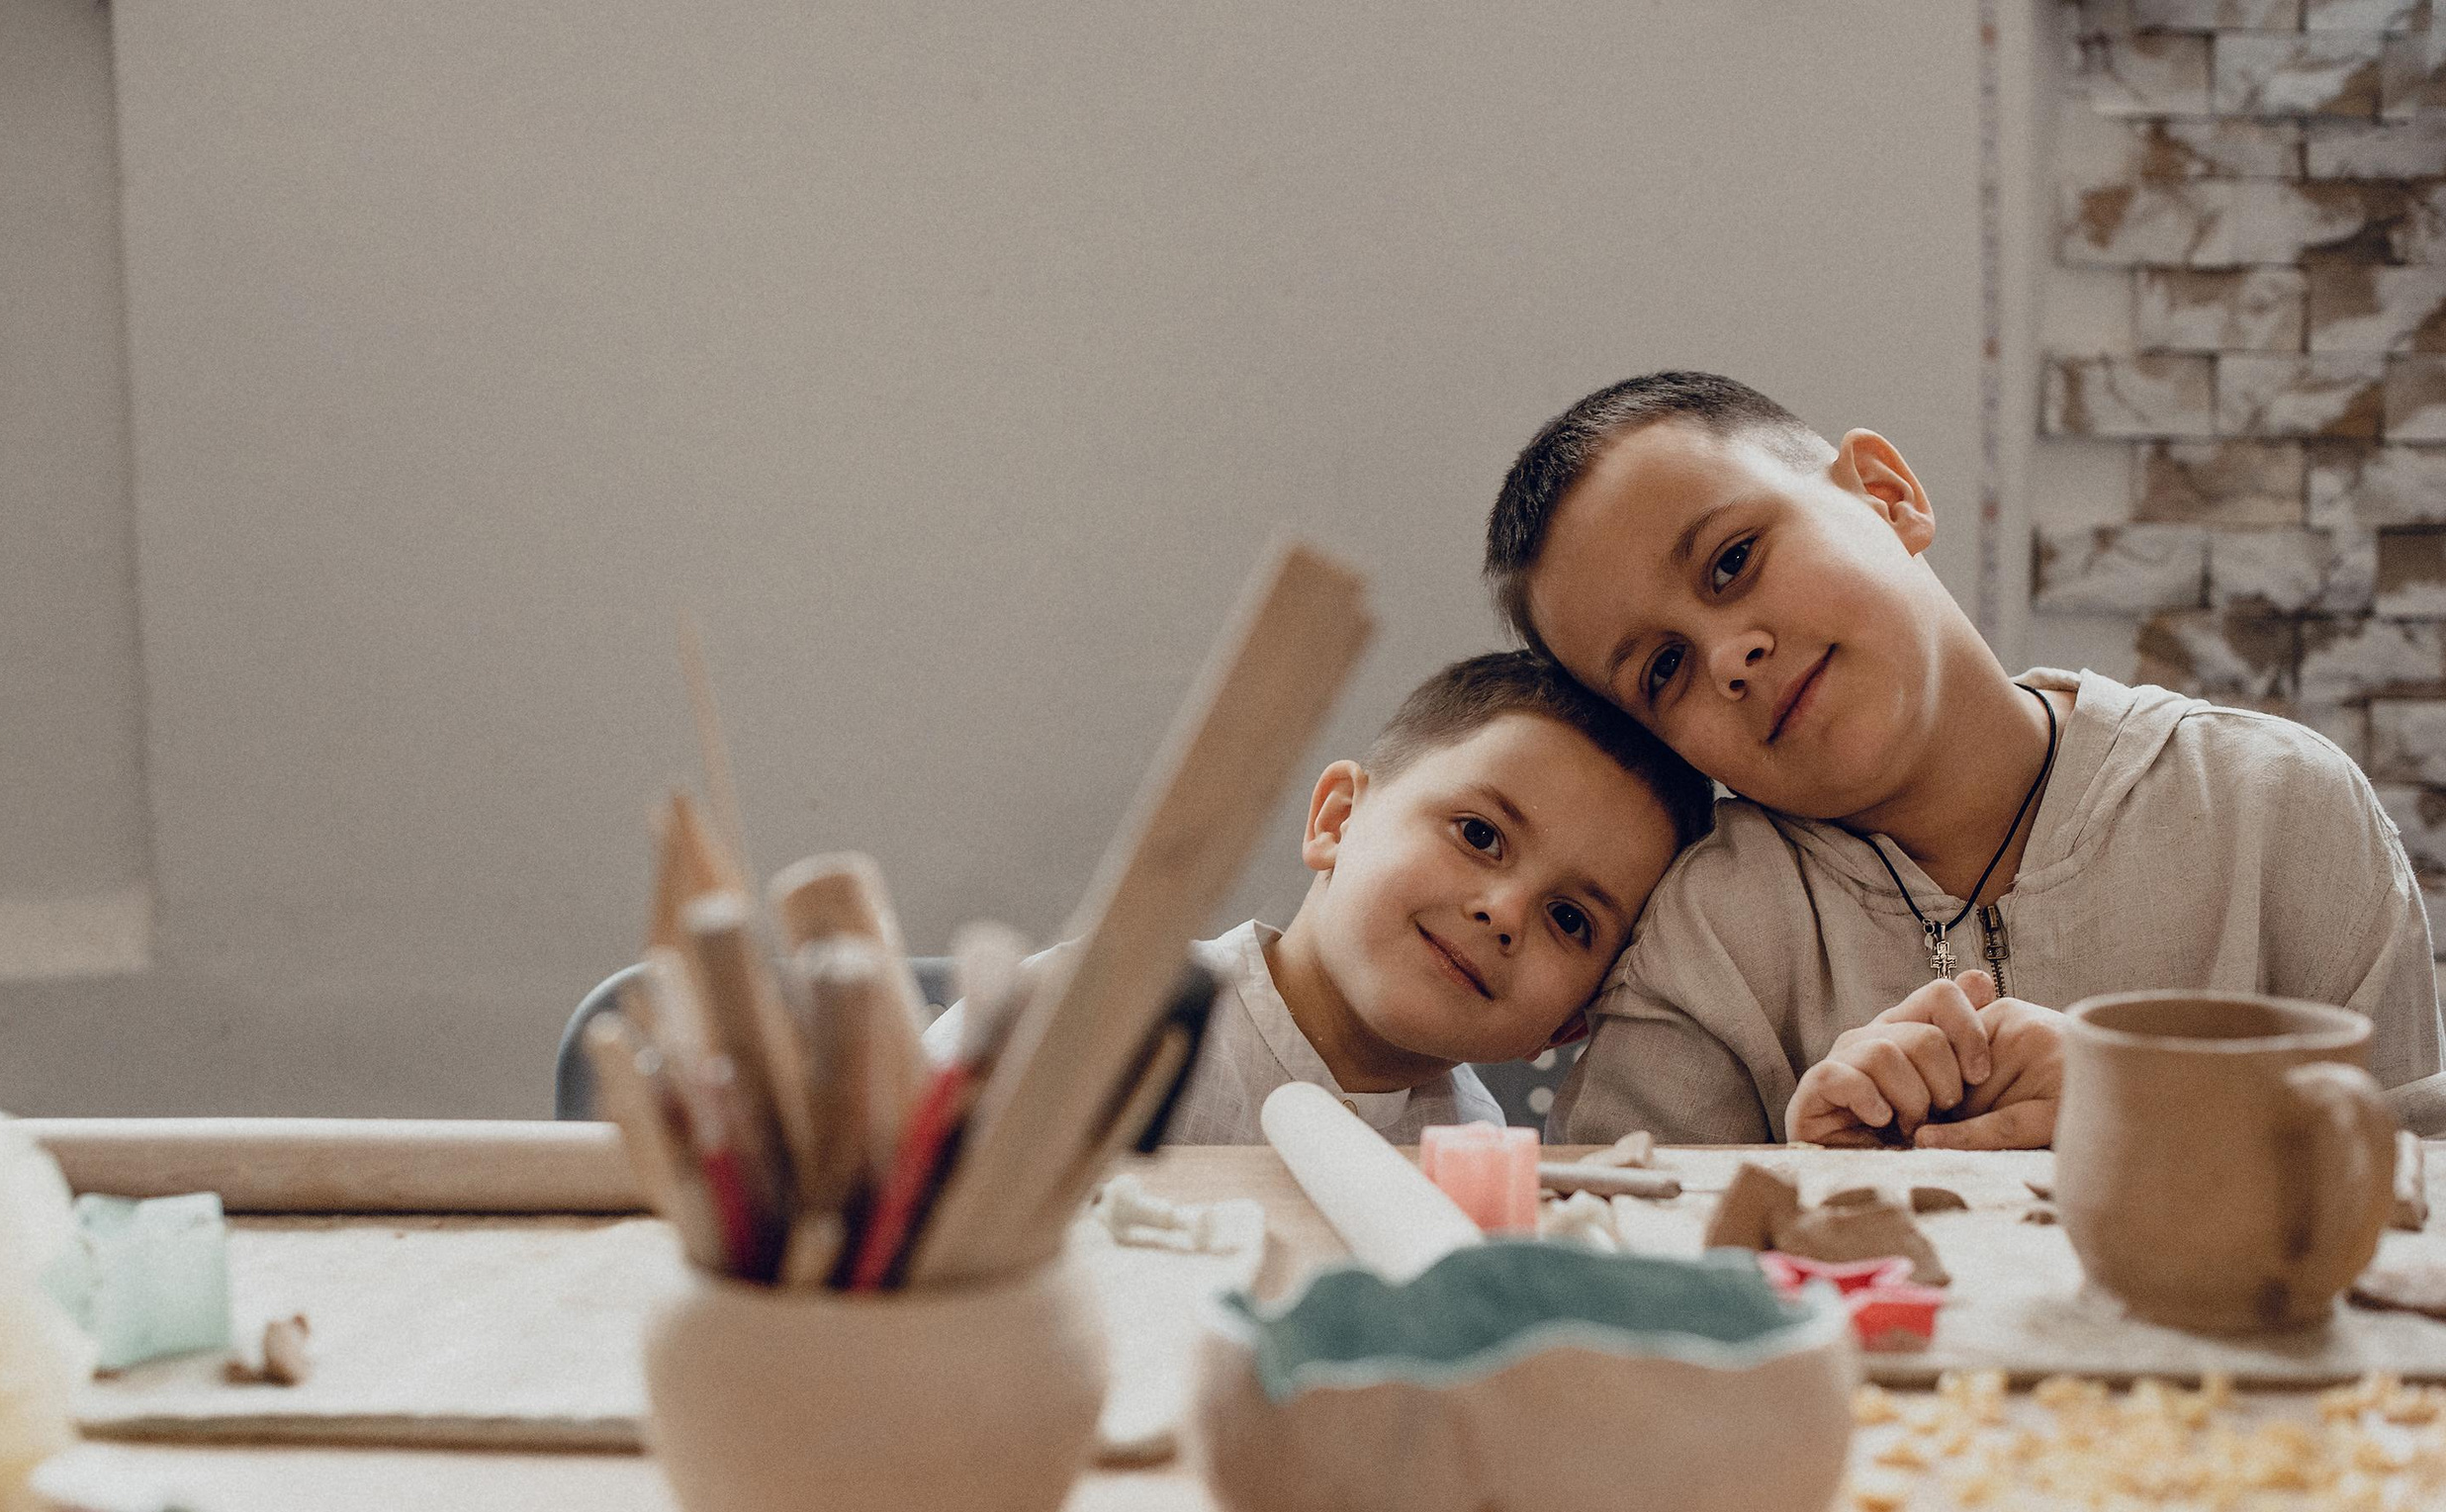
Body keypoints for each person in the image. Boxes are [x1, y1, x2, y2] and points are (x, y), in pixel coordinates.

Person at [1483, 370, 2446, 1145]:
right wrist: (1817, 1185)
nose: (1728, 656)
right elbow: (1622, 1257)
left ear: (1886, 496)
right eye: (1661, 670)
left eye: (1732, 561)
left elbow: (2420, 1198)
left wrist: (2157, 1114)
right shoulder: (1706, 930)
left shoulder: (2276, 808)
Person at [928, 650, 1710, 1143]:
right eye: (1478, 834)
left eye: (1569, 919)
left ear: (1570, 1021)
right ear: (1337, 818)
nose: (1504, 912)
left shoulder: (1471, 1148)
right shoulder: (1094, 1018)